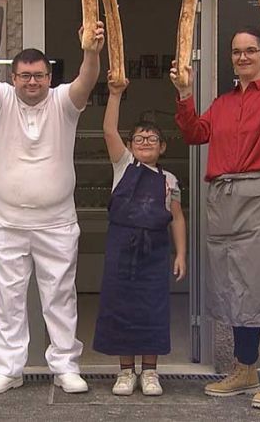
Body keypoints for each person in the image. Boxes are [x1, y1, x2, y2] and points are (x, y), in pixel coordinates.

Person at [169, 7, 260, 410]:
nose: (243, 57)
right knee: (236, 285)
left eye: (251, 50)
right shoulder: (224, 103)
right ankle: (245, 367)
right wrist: (184, 94)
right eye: (237, 52)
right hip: (226, 202)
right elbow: (195, 133)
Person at [0, 21, 105, 395]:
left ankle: (65, 366)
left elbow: (87, 79)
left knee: (59, 295)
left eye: (39, 76)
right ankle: (8, 368)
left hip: (57, 222)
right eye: (24, 76)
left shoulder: (64, 101)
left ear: (49, 76)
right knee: (8, 297)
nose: (32, 82)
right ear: (13, 78)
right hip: (8, 222)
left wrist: (91, 51)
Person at [93, 73, 187, 397]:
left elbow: (176, 218)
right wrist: (115, 94)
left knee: (152, 310)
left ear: (162, 146)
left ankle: (150, 372)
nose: (145, 142)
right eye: (138, 139)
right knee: (121, 309)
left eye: (151, 139)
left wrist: (181, 254)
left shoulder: (170, 180)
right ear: (130, 145)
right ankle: (124, 372)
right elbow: (108, 130)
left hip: (155, 251)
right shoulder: (123, 166)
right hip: (121, 248)